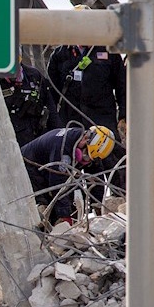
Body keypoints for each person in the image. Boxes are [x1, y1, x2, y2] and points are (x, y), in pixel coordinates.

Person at [47, 29, 127, 197]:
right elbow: (52, 92)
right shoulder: (60, 55)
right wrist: (53, 124)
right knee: (75, 164)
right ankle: (82, 207)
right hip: (72, 120)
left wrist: (124, 115)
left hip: (102, 117)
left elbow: (122, 86)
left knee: (112, 161)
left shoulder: (108, 52)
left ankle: (121, 199)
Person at [20, 125, 115, 226]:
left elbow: (95, 176)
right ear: (85, 139)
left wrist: (97, 204)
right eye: (86, 155)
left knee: (76, 200)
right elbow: (57, 183)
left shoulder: (87, 145)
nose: (85, 160)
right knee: (47, 206)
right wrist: (65, 216)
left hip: (50, 168)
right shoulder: (63, 147)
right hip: (29, 167)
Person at [0, 61, 60, 146]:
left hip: (38, 137)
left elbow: (51, 110)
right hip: (12, 141)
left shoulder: (34, 75)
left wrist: (60, 136)